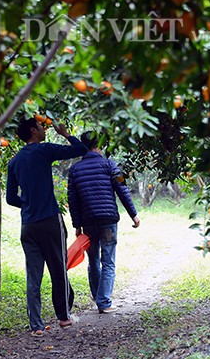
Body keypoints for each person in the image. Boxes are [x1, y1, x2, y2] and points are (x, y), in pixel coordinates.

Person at [6, 117, 87, 337]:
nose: (44, 129)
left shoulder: (13, 161)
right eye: (41, 126)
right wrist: (65, 134)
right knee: (58, 269)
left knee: (34, 277)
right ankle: (63, 317)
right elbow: (80, 149)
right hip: (50, 220)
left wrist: (29, 203)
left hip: (28, 225)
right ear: (34, 130)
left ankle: (37, 326)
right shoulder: (44, 151)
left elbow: (10, 198)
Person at [67, 131, 140, 314]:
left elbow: (73, 201)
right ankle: (104, 301)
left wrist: (77, 226)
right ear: (98, 144)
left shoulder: (74, 170)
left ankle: (98, 296)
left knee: (94, 260)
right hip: (108, 220)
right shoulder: (110, 164)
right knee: (108, 261)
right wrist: (134, 215)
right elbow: (122, 190)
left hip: (88, 221)